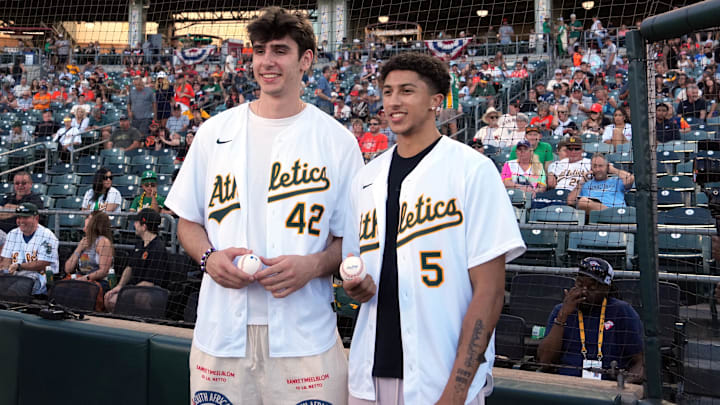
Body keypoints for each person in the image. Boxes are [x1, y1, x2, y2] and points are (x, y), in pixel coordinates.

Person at [166, 9, 363, 404]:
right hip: (222, 331)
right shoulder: (214, 132)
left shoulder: (337, 141)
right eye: (259, 51)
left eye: (280, 51)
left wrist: (313, 265)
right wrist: (208, 257)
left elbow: (353, 240)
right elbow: (188, 222)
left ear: (305, 59)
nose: (267, 62)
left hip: (304, 333)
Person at [342, 52, 525, 404]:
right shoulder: (365, 178)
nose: (393, 101)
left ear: (436, 102)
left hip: (441, 376)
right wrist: (358, 286)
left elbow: (490, 290)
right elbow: (356, 266)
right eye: (387, 91)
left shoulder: (473, 170)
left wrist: (456, 390)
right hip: (370, 373)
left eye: (407, 91)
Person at [537, 257, 644, 383]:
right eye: (580, 284)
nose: (584, 291)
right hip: (565, 384)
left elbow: (642, 362)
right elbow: (545, 361)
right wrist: (563, 316)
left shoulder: (622, 311)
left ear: (606, 288)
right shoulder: (561, 310)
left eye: (592, 288)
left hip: (607, 388)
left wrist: (623, 386)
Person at [104, 208, 168, 312]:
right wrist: (119, 286)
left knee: (115, 300)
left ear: (144, 226)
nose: (134, 225)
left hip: (151, 292)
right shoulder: (139, 244)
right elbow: (130, 267)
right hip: (136, 288)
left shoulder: (158, 249)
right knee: (109, 298)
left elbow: (149, 283)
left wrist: (125, 292)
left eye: (137, 222)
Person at [0, 203, 59, 295]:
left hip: (41, 277)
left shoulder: (47, 235)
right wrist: (5, 269)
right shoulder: (13, 234)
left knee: (12, 292)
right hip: (15, 275)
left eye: (25, 217)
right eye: (19, 217)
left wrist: (19, 266)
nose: (21, 221)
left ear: (36, 218)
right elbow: (6, 260)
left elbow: (43, 264)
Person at [64, 211, 114, 294]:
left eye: (89, 218)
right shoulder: (84, 241)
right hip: (81, 279)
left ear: (95, 223)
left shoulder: (103, 242)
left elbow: (103, 271)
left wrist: (85, 279)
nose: (85, 220)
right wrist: (78, 249)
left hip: (98, 282)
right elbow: (68, 269)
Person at [568, 154, 635, 214]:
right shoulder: (585, 184)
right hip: (596, 217)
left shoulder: (617, 181)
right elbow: (570, 201)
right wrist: (581, 182)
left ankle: (612, 213)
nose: (597, 169)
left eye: (600, 166)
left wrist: (614, 170)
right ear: (591, 168)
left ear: (607, 167)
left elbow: (630, 179)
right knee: (583, 202)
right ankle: (610, 213)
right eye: (594, 166)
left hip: (620, 212)